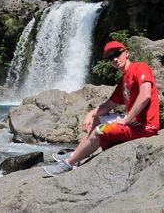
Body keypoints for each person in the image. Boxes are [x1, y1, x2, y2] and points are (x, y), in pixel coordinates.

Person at [43, 41, 160, 176]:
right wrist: (90, 114)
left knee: (100, 131)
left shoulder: (140, 67)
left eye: (117, 54)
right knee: (98, 119)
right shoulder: (123, 81)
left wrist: (127, 120)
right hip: (133, 123)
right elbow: (107, 105)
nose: (114, 59)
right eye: (110, 58)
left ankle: (69, 163)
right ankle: (76, 154)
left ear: (126, 53)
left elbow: (145, 96)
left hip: (144, 127)